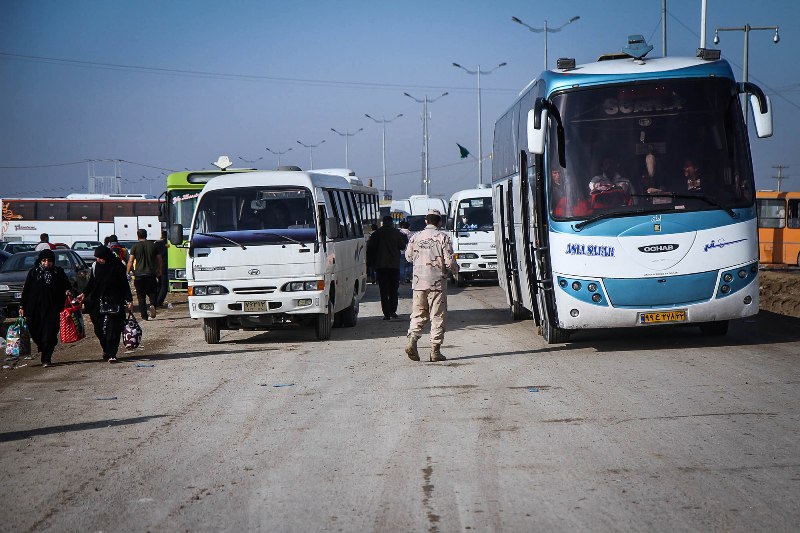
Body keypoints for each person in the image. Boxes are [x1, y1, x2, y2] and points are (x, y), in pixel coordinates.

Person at [404, 209, 458, 363]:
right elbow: (449, 261)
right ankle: (435, 351)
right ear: (439, 222)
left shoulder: (415, 237)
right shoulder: (443, 237)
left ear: (426, 221)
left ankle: (412, 341)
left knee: (418, 314)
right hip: (437, 284)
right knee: (437, 316)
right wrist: (455, 270)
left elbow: (408, 257)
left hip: (419, 283)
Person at [76, 246, 133, 363]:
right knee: (98, 328)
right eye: (97, 258)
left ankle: (112, 353)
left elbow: (124, 284)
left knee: (114, 329)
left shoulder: (118, 266)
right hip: (97, 301)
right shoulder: (96, 266)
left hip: (114, 300)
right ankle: (106, 349)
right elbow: (92, 282)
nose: (99, 260)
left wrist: (129, 300)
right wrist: (84, 294)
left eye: (101, 258)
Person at [19, 249, 74, 367]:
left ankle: (46, 358)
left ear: (53, 261)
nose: (46, 263)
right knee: (35, 331)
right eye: (44, 261)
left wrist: (68, 291)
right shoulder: (34, 272)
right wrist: (22, 305)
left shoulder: (58, 272)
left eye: (49, 261)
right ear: (40, 261)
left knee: (50, 334)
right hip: (34, 309)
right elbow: (27, 290)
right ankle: (42, 346)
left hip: (53, 308)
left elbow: (67, 285)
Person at [366, 216, 408, 320]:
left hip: (381, 266)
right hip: (394, 265)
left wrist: (369, 264)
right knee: (394, 289)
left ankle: (386, 314)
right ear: (392, 222)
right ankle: (393, 311)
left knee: (383, 290)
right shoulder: (397, 233)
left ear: (383, 223)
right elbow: (402, 246)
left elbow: (370, 249)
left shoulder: (376, 234)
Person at [126, 228, 162, 321]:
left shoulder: (135, 247)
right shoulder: (153, 246)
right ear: (146, 235)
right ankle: (153, 304)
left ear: (138, 236)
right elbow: (159, 259)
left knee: (141, 296)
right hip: (151, 274)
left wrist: (127, 272)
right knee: (152, 292)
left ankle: (144, 316)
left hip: (139, 275)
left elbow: (130, 261)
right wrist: (159, 270)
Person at [155, 231, 170, 307]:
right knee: (164, 286)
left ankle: (155, 300)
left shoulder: (156, 244)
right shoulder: (168, 244)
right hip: (164, 266)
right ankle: (159, 302)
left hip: (157, 267)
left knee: (159, 284)